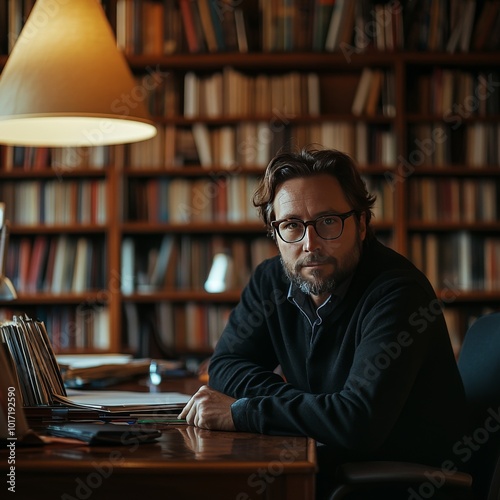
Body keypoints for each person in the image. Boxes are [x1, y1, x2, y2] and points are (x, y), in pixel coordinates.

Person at [179, 147, 467, 497]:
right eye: (291, 225)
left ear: (361, 224)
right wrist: (309, 406)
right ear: (275, 232)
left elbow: (357, 423)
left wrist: (245, 411)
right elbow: (225, 365)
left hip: (397, 481)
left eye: (328, 221)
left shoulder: (399, 294)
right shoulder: (271, 280)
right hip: (326, 458)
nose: (309, 244)